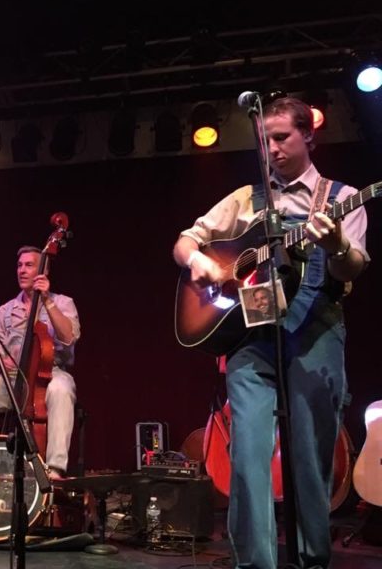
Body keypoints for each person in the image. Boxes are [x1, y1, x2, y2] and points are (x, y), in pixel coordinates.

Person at [173, 96, 368, 569]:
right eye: (264, 141)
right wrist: (199, 260)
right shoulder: (246, 198)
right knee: (248, 457)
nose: (272, 149)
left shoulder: (342, 198)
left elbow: (353, 267)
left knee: (309, 454)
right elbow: (186, 241)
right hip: (250, 340)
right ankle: (255, 563)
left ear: (308, 136)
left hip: (315, 333)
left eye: (281, 138)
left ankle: (309, 560)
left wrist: (337, 242)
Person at [0, 246, 81, 480]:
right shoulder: (5, 310)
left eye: (29, 265)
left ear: (43, 270)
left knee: (62, 389)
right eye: (19, 265)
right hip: (14, 379)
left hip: (51, 374)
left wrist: (47, 301)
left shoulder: (64, 302)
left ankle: (55, 469)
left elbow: (68, 337)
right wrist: (2, 361)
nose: (22, 270)